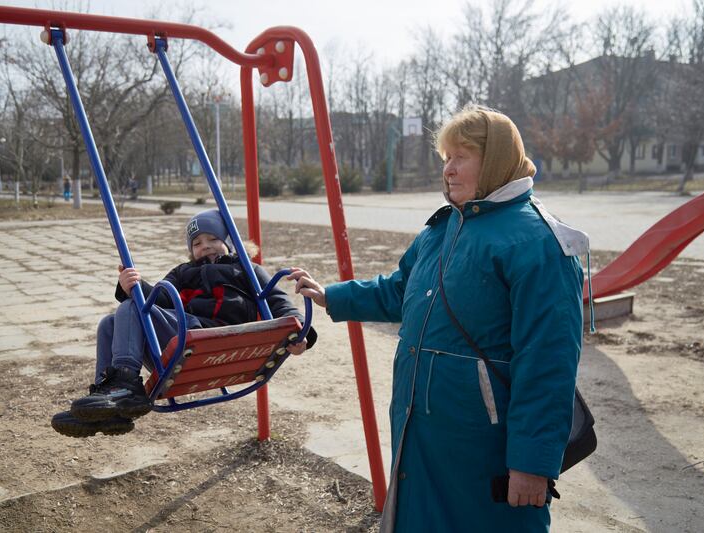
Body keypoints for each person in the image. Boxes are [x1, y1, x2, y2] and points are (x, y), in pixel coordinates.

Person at [289, 105, 586, 532]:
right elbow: (401, 291)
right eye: (446, 157)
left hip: (485, 449)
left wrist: (532, 464)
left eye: (461, 156)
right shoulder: (443, 228)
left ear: (497, 159)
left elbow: (549, 362)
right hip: (423, 433)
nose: (448, 169)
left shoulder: (537, 243)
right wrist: (333, 297)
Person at [52, 209, 317, 438]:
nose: (206, 246)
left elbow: (279, 301)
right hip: (186, 337)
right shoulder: (183, 272)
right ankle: (105, 401)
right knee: (109, 322)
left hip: (214, 336)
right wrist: (132, 286)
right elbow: (158, 298)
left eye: (214, 238)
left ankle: (124, 384)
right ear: (190, 250)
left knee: (130, 308)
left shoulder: (245, 269)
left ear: (230, 242)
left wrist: (301, 332)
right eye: (198, 242)